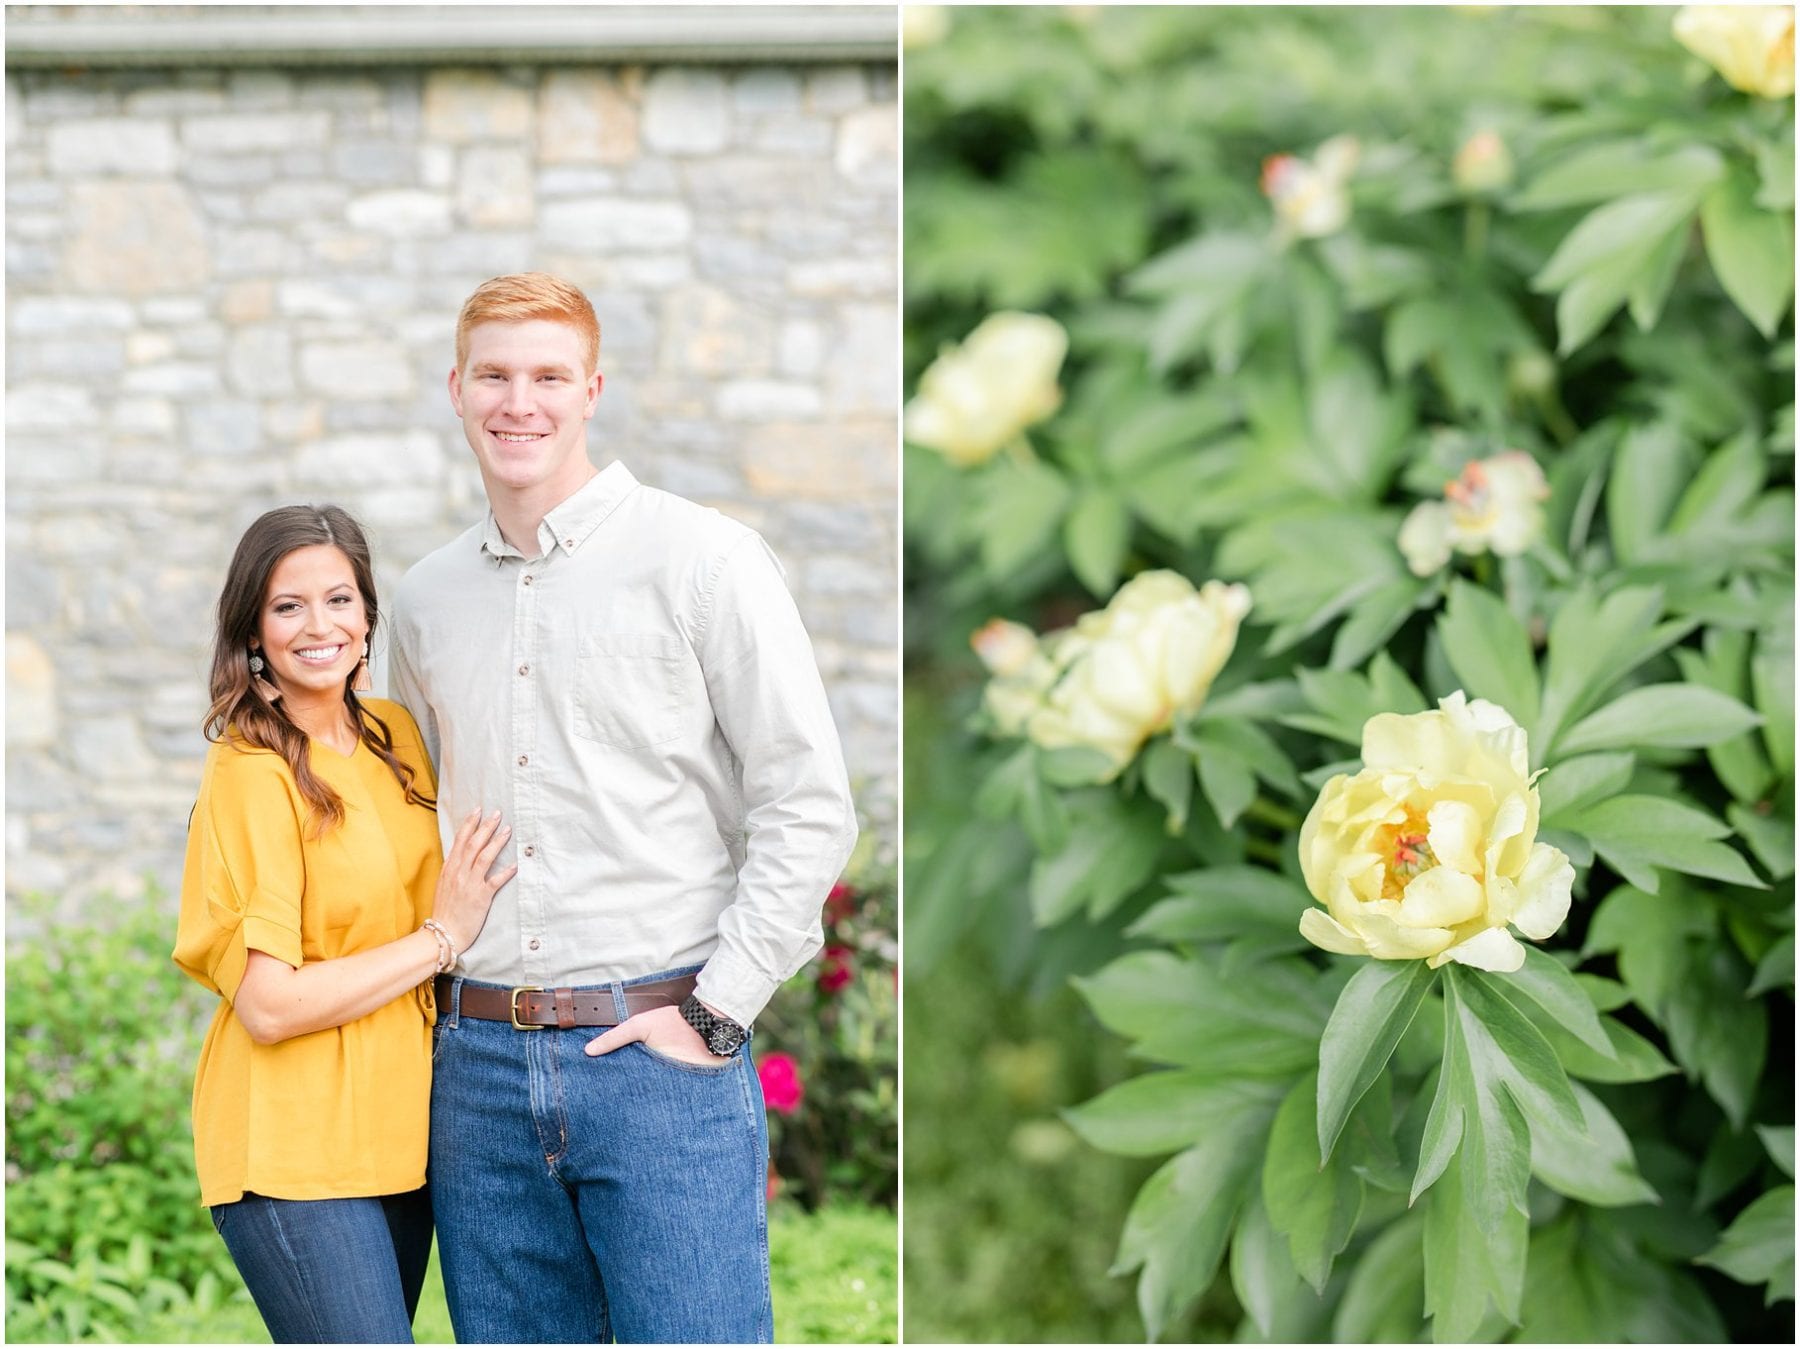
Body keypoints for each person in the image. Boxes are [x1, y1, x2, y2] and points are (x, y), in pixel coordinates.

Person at [388, 272, 858, 1344]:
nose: (522, 402)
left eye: (549, 375)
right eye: (496, 375)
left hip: (657, 1065)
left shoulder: (703, 559)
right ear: (455, 389)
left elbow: (805, 800)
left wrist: (717, 1008)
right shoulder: (422, 601)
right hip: (477, 1072)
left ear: (592, 388)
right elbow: (405, 818)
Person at [173, 504, 515, 1344]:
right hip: (293, 1145)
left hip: (401, 1136)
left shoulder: (396, 733)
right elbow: (271, 1004)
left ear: (368, 617)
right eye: (288, 606)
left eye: (338, 599)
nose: (318, 626)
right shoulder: (251, 771)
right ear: (254, 628)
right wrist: (442, 937)